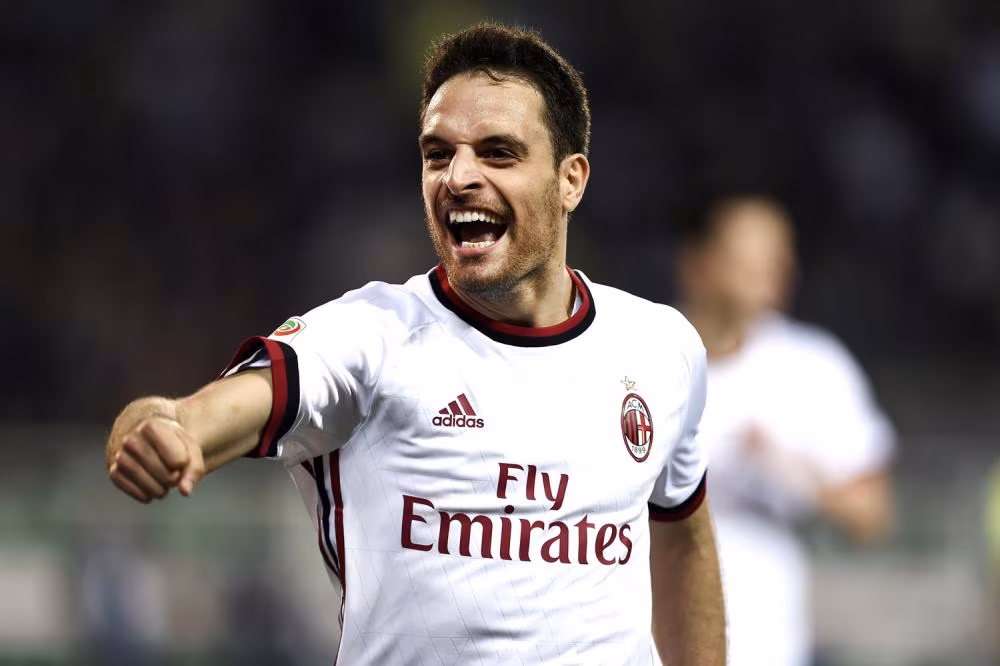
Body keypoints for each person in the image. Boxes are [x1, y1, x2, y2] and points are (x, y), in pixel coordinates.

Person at [105, 21, 726, 665]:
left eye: (498, 153)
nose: (458, 176)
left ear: (571, 180)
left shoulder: (661, 348)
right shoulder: (372, 337)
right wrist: (164, 428)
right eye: (438, 153)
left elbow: (683, 534)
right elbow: (207, 412)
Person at [674, 192, 896, 666]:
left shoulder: (811, 366)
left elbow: (872, 514)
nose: (773, 269)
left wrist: (793, 474)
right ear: (697, 262)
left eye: (778, 256)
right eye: (749, 255)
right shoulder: (640, 357)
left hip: (768, 645)